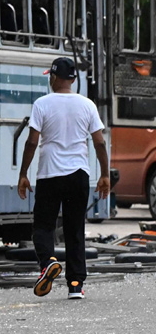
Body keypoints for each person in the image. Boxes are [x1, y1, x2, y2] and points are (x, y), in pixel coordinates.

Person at [17, 56, 110, 299]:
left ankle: (48, 262)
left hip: (50, 174)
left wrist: (24, 173)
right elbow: (99, 143)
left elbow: (32, 142)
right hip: (79, 174)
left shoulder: (42, 104)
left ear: (55, 78)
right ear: (73, 79)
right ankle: (76, 285)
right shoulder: (87, 105)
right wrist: (105, 175)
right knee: (74, 228)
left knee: (44, 226)